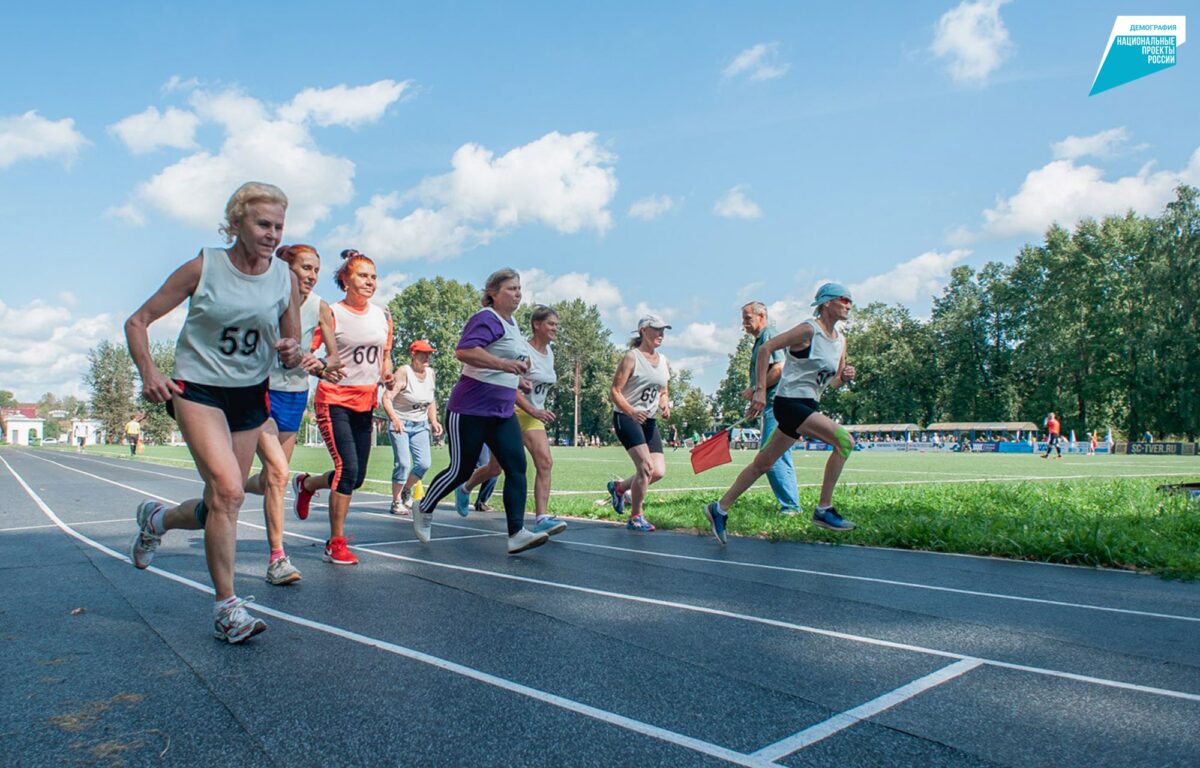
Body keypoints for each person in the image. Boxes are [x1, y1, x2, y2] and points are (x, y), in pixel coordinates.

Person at [126, 181, 316, 643]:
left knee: (217, 504)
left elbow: (290, 347)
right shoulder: (203, 266)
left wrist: (292, 350)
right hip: (198, 390)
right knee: (230, 491)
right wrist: (150, 372)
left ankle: (159, 520)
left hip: (249, 394)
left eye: (279, 226)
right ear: (236, 224)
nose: (273, 234)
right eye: (263, 224)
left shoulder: (283, 279)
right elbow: (138, 321)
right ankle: (227, 607)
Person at [703, 282, 859, 545]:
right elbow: (766, 349)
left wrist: (843, 377)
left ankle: (719, 509)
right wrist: (761, 392)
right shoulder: (809, 330)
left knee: (763, 464)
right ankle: (824, 509)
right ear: (826, 302)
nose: (849, 304)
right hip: (789, 403)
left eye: (850, 301)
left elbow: (830, 383)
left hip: (808, 405)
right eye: (844, 299)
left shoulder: (840, 341)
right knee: (845, 442)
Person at [413, 268, 549, 555]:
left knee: (516, 467)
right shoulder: (486, 318)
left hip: (501, 411)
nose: (518, 293)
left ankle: (516, 534)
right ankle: (424, 507)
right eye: (511, 288)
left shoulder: (512, 325)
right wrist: (505, 366)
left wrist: (517, 379)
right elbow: (464, 351)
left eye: (519, 288)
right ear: (492, 293)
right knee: (461, 469)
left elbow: (503, 363)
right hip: (470, 409)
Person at [241, 244, 340, 585]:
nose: (311, 276)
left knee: (274, 479)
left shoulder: (320, 308)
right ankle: (277, 558)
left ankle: (232, 485)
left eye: (316, 270)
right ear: (286, 269)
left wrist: (320, 364)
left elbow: (334, 360)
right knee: (279, 473)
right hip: (261, 391)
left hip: (295, 396)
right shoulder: (263, 300)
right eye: (305, 268)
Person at [292, 250, 392, 566]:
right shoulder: (331, 313)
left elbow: (384, 353)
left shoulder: (382, 315)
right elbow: (303, 352)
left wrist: (386, 371)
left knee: (356, 477)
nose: (370, 282)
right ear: (346, 280)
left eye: (374, 277)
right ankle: (335, 543)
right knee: (347, 469)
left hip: (366, 403)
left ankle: (306, 484)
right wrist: (321, 368)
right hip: (334, 400)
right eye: (363, 276)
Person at [606, 314, 672, 532]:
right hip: (626, 417)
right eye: (656, 329)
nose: (661, 334)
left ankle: (619, 489)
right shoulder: (631, 357)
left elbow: (663, 390)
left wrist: (665, 403)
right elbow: (615, 391)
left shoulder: (663, 361)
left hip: (649, 420)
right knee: (645, 467)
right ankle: (636, 517)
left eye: (663, 330)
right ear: (644, 330)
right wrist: (632, 411)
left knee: (658, 472)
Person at [739, 301, 802, 515]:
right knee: (776, 454)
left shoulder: (768, 335)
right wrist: (757, 394)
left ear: (762, 316)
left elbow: (779, 368)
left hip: (778, 403)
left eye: (748, 318)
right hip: (775, 403)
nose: (744, 323)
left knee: (771, 456)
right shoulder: (761, 339)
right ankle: (790, 505)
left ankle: (791, 507)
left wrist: (758, 390)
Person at [382, 339, 443, 515]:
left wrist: (434, 421)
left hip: (420, 424)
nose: (427, 357)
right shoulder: (404, 372)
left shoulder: (431, 373)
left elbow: (430, 399)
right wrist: (394, 419)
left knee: (424, 463)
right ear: (413, 355)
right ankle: (396, 502)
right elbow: (386, 398)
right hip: (401, 423)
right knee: (402, 463)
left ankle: (406, 490)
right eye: (423, 353)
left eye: (430, 353)